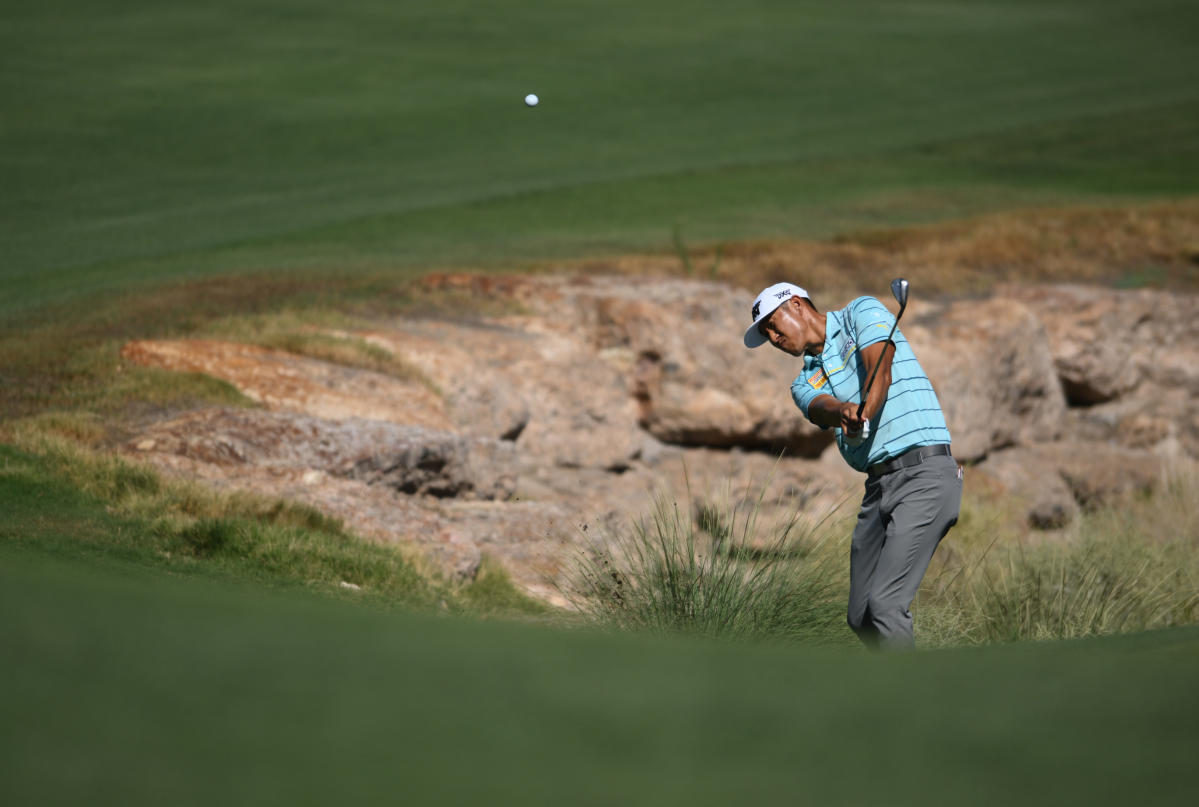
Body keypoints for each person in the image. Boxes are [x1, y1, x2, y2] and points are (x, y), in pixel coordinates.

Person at [743, 282, 961, 650]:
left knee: (886, 605)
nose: (773, 337)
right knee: (860, 614)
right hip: (878, 489)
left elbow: (881, 366)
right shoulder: (802, 382)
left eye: (773, 324)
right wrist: (845, 412)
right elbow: (820, 406)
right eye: (766, 335)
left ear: (796, 305)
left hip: (925, 472)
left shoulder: (860, 312)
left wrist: (865, 410)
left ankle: (915, 701)